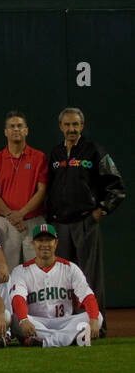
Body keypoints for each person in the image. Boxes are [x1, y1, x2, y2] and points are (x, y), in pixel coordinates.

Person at [45, 107, 124, 330]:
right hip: (59, 225)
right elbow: (49, 188)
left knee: (90, 277)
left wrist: (99, 212)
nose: (71, 129)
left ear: (82, 125)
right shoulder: (55, 154)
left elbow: (117, 188)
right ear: (61, 127)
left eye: (76, 124)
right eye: (67, 125)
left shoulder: (94, 151)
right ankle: (67, 326)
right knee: (62, 279)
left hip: (84, 223)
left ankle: (96, 325)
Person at [8, 223, 103, 347]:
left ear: (56, 243)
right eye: (40, 240)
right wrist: (24, 319)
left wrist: (94, 320)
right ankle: (70, 339)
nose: (45, 244)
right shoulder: (21, 270)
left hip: (65, 322)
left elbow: (87, 296)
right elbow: (17, 299)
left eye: (49, 240)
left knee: (98, 317)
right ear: (33, 244)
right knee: (15, 319)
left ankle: (46, 341)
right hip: (36, 322)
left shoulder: (70, 268)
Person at [0, 111, 48, 272]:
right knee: (5, 272)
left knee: (37, 272)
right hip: (4, 221)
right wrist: (11, 215)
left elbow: (42, 191)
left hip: (33, 221)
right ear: (6, 132)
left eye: (19, 126)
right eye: (12, 127)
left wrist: (22, 213)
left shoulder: (39, 157)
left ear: (26, 130)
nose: (16, 129)